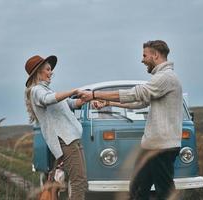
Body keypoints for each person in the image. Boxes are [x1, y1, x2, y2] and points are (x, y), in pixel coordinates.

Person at [78, 40, 182, 200]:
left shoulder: (166, 78)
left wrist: (94, 94)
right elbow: (139, 102)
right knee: (138, 188)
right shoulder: (161, 78)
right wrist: (108, 103)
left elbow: (136, 94)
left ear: (155, 55)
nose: (142, 60)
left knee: (165, 191)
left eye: (144, 55)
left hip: (162, 147)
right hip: (151, 146)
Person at [24, 55, 88, 200]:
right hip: (65, 139)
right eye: (48, 69)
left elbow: (69, 104)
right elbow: (48, 100)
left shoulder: (47, 90)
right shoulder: (36, 91)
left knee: (81, 180)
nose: (51, 72)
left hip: (72, 138)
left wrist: (84, 99)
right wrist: (73, 91)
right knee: (78, 181)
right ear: (38, 72)